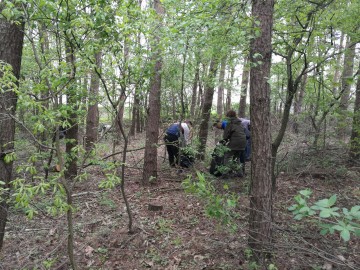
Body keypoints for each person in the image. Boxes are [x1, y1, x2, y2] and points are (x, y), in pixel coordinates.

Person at [222, 110, 247, 176]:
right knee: (237, 158)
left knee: (227, 156)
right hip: (243, 142)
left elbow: (225, 136)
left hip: (235, 142)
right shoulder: (240, 122)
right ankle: (240, 173)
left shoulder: (230, 123)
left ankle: (225, 174)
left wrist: (224, 142)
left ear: (228, 116)